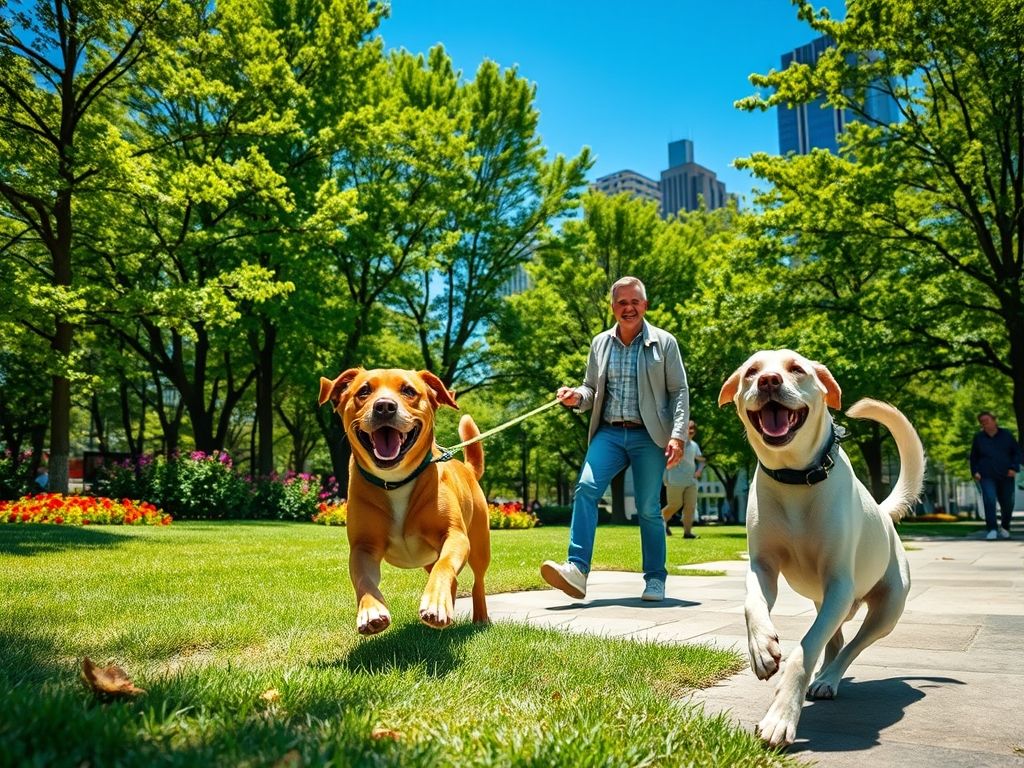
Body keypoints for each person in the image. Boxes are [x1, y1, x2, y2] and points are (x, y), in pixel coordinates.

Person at [541, 276, 689, 602]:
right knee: (586, 488)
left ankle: (655, 578)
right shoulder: (600, 343)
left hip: (648, 435)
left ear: (645, 305)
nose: (628, 307)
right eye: (622, 302)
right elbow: (591, 388)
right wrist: (575, 396)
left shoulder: (664, 343)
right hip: (608, 432)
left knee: (649, 508)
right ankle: (577, 570)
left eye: (634, 301)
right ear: (613, 308)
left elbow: (679, 391)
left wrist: (677, 436)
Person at [970, 410, 1022, 540]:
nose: (985, 424)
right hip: (986, 475)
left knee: (1008, 503)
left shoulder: (1007, 435)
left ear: (994, 420)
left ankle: (1005, 527)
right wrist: (975, 471)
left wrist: (1014, 468)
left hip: (1006, 475)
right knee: (989, 500)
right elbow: (973, 457)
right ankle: (992, 529)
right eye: (982, 422)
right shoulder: (979, 438)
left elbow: (1017, 453)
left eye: (987, 420)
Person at [661, 419, 705, 538]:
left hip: (691, 481)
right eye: (688, 429)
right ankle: (661, 521)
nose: (691, 431)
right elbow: (666, 460)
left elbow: (701, 460)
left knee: (690, 507)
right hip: (675, 480)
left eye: (693, 429)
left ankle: (687, 533)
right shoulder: (676, 444)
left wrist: (699, 470)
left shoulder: (694, 445)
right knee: (675, 505)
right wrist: (665, 478)